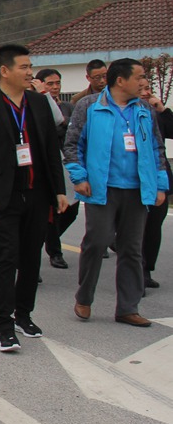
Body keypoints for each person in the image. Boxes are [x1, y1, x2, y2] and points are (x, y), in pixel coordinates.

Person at [0, 44, 68, 353]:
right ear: (4, 71)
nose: (30, 72)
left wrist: (59, 190)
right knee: (7, 258)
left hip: (37, 194)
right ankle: (4, 325)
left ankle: (24, 315)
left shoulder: (39, 102)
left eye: (30, 66)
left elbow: (51, 150)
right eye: (24, 67)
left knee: (31, 257)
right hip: (4, 196)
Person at [62, 59, 168, 327]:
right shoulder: (90, 106)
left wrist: (160, 184)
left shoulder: (144, 109)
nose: (144, 82)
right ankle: (84, 297)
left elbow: (157, 149)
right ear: (120, 80)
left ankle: (128, 307)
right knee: (96, 243)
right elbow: (72, 144)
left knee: (132, 249)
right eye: (139, 77)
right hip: (102, 188)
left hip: (137, 189)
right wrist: (79, 177)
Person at [34, 68, 79, 269]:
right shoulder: (36, 104)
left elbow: (72, 126)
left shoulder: (69, 106)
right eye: (50, 83)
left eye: (57, 83)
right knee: (52, 210)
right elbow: (57, 125)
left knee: (72, 209)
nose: (54, 87)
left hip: (70, 163)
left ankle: (45, 238)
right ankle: (55, 251)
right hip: (47, 164)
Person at [141, 78, 173, 289]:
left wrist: (163, 110)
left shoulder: (155, 113)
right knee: (138, 226)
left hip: (159, 175)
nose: (145, 92)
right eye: (140, 87)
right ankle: (137, 272)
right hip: (133, 178)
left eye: (147, 89)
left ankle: (146, 269)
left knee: (154, 224)